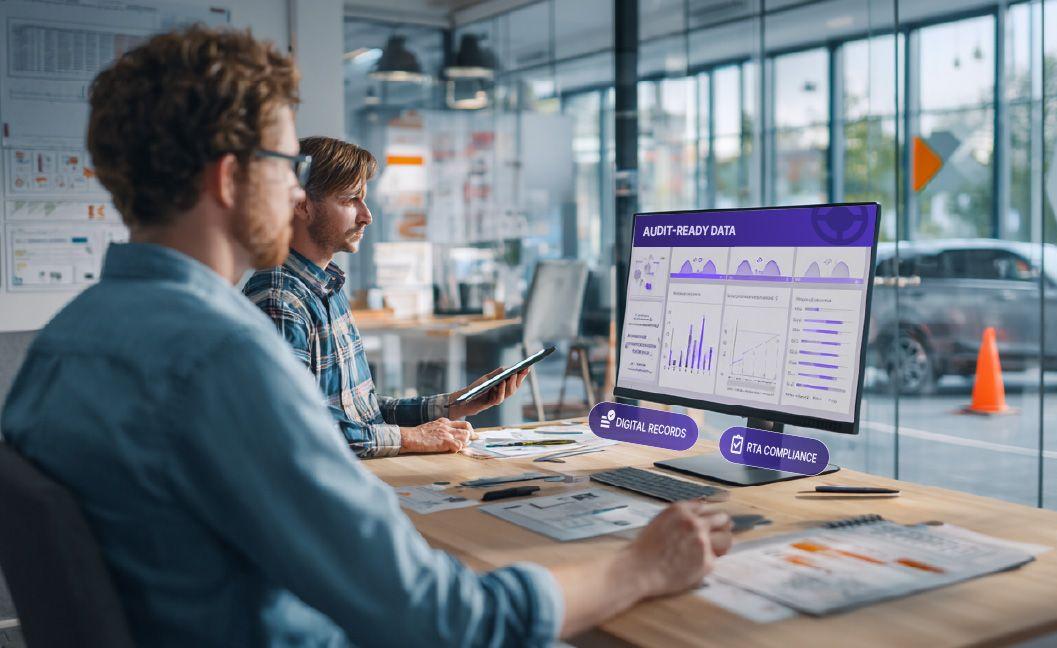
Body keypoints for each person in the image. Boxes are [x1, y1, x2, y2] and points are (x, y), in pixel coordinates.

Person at [0, 26, 732, 647]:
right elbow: (438, 621)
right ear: (229, 180)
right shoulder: (221, 356)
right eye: (289, 167)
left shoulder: (68, 340)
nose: (296, 192)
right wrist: (638, 566)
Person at [244, 136, 516, 458]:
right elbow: (297, 428)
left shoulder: (326, 287)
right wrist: (411, 439)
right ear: (302, 204)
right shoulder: (280, 302)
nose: (367, 216)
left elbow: (362, 414)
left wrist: (454, 405)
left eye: (364, 200)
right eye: (350, 200)